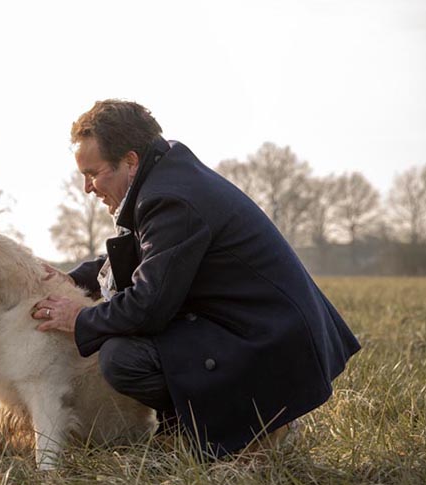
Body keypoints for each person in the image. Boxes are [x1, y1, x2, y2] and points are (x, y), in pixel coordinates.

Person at [33, 100, 360, 457]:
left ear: (130, 161)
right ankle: (193, 430)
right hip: (259, 331)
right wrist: (71, 278)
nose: (87, 188)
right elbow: (137, 255)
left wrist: (79, 318)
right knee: (132, 347)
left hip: (270, 345)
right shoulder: (163, 180)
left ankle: (255, 428)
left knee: (122, 357)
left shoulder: (170, 199)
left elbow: (148, 306)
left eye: (93, 173)